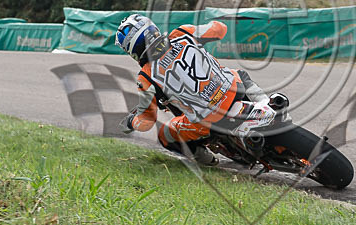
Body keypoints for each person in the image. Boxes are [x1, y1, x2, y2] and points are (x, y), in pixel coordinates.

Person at [115, 14, 270, 165]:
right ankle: (267, 103)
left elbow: (146, 122)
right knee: (239, 74)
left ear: (132, 49)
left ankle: (207, 160)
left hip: (205, 120)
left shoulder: (146, 77)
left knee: (165, 135)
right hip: (233, 90)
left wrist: (131, 122)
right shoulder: (182, 33)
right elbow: (220, 29)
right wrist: (210, 26)